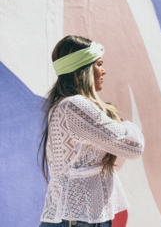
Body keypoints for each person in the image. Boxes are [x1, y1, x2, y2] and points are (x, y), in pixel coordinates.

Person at [38, 35, 145, 227]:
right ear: (83, 70)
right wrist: (126, 124)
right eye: (99, 64)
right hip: (77, 220)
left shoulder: (67, 106)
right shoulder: (74, 106)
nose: (104, 70)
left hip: (81, 218)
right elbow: (134, 147)